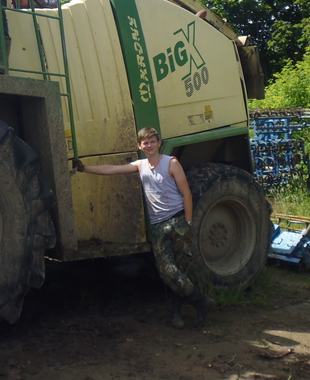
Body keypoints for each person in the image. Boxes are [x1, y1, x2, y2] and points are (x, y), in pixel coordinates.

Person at [73, 127, 213, 330]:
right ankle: (202, 302)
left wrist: (188, 223)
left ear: (159, 143)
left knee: (180, 271)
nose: (149, 145)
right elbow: (112, 169)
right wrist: (85, 168)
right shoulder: (140, 165)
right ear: (139, 146)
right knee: (168, 271)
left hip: (178, 222)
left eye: (152, 141)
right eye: (145, 142)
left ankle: (177, 314)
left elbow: (187, 195)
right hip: (158, 226)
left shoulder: (171, 163)